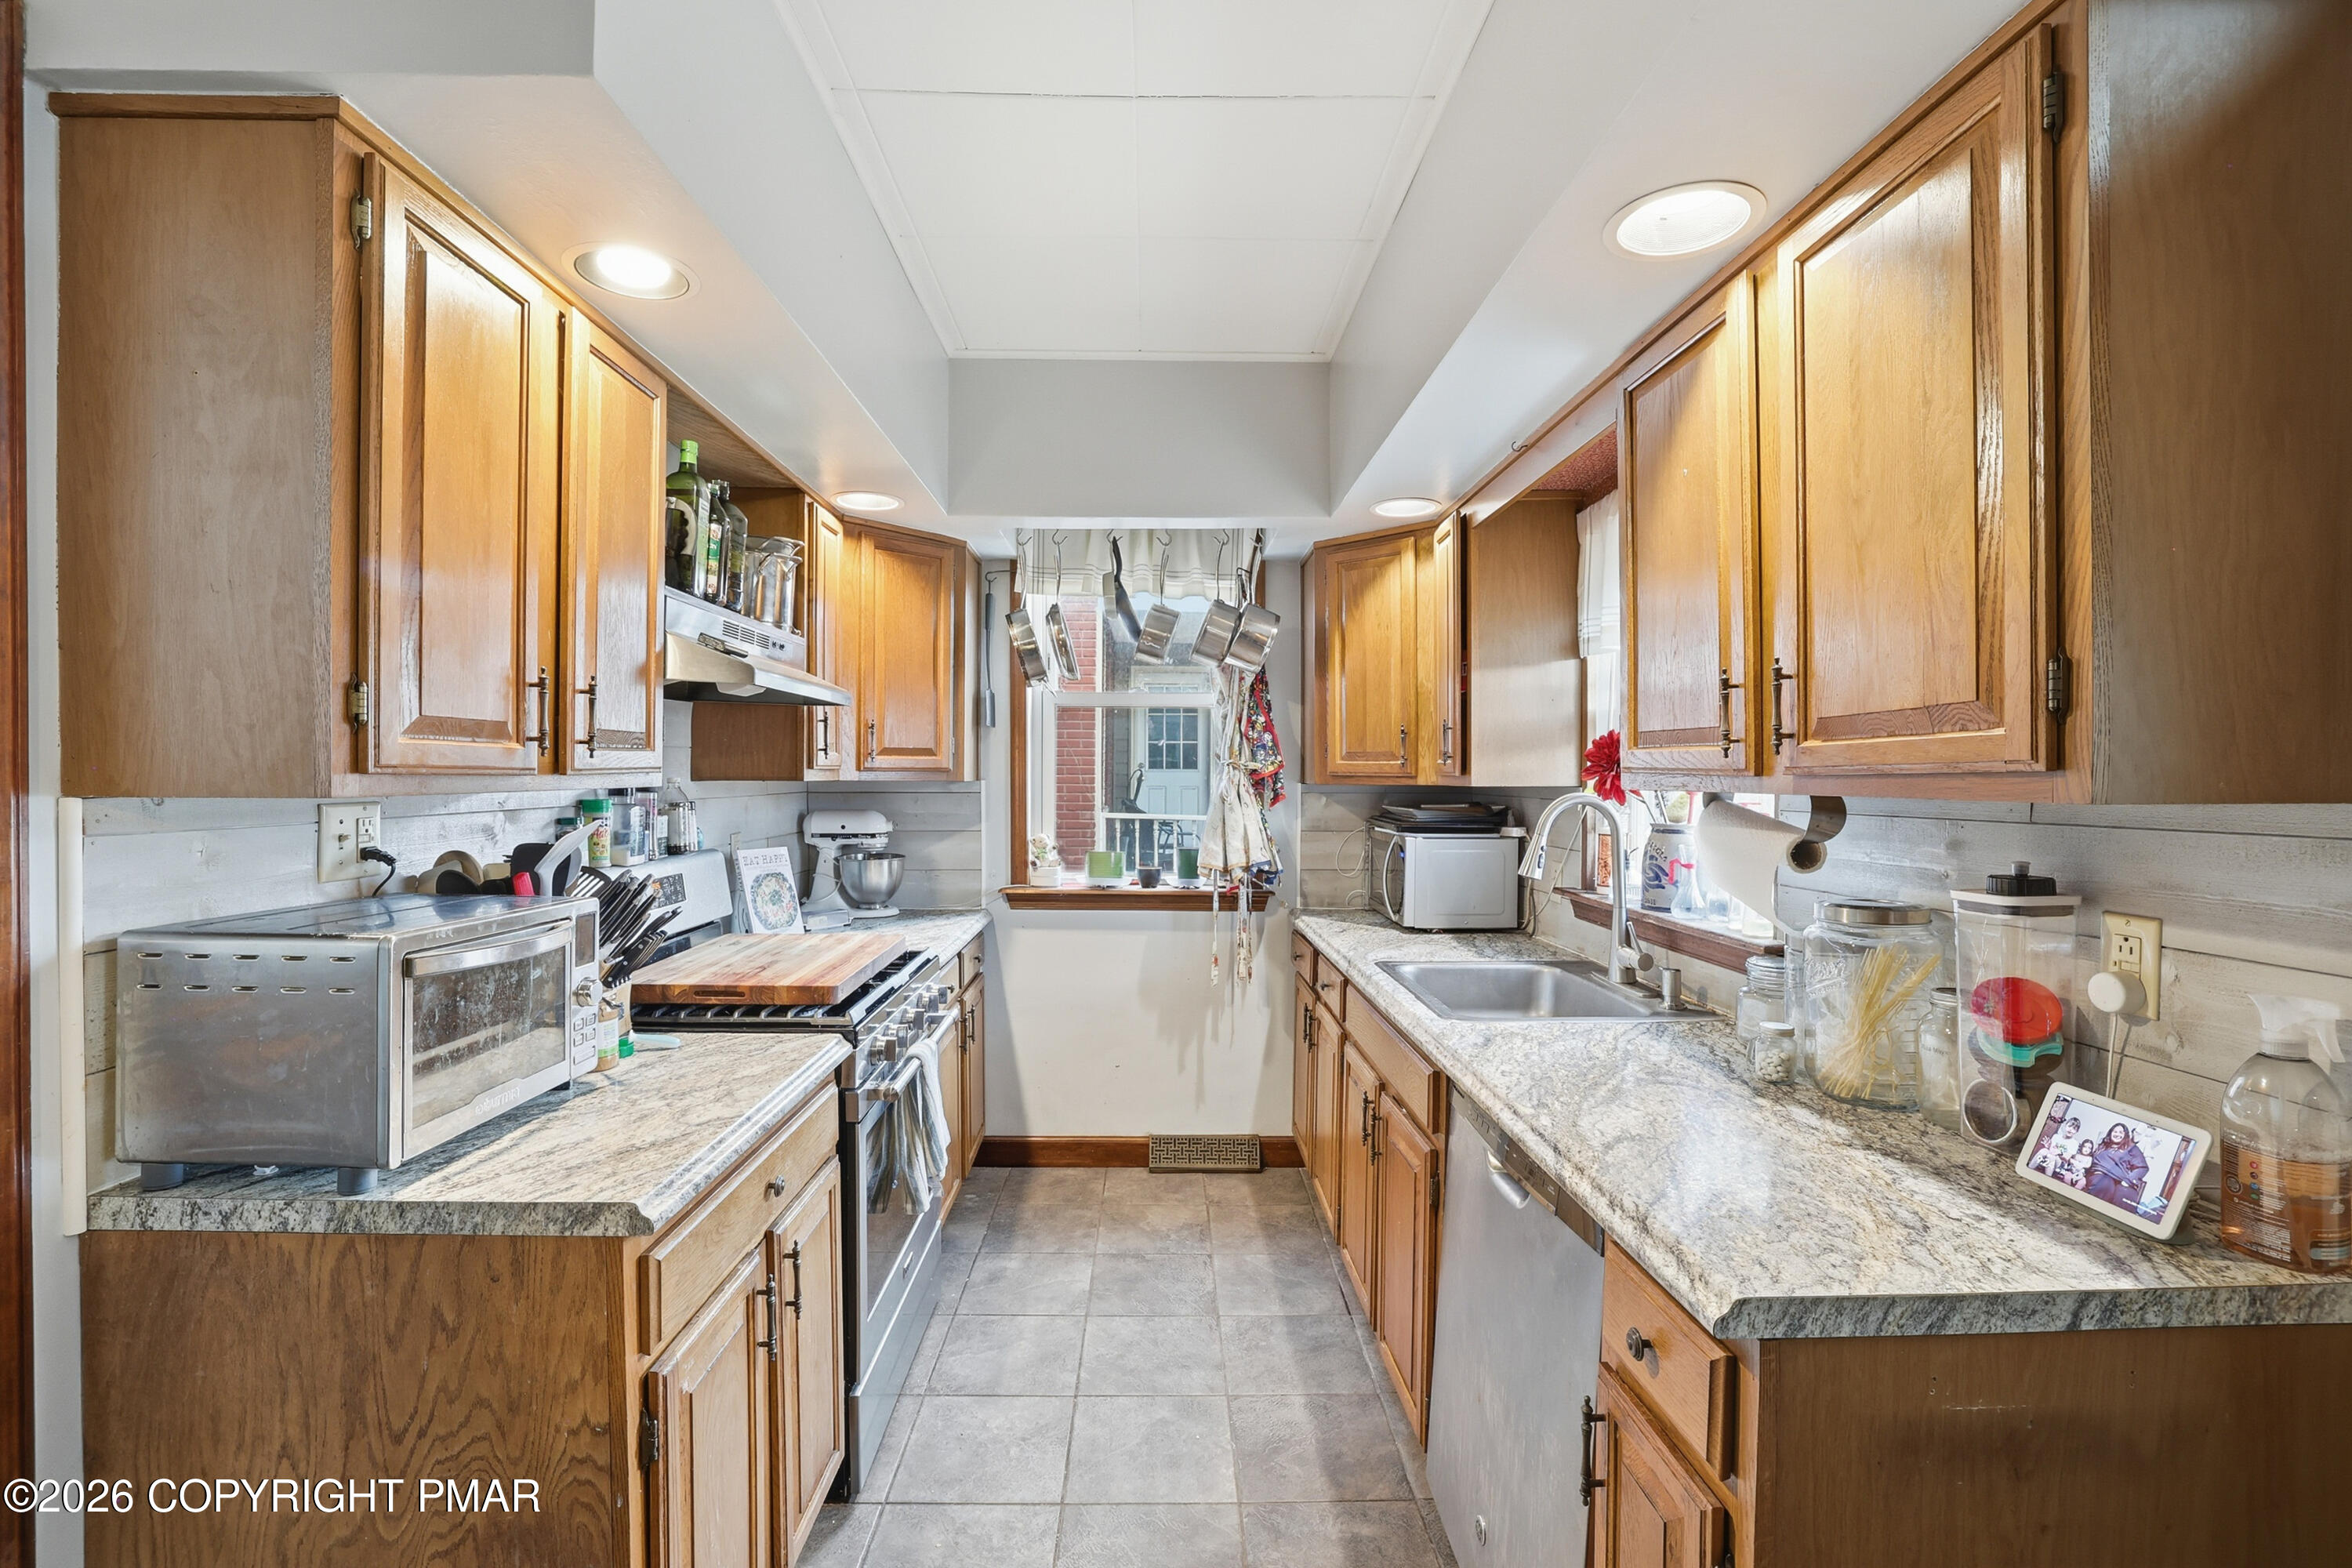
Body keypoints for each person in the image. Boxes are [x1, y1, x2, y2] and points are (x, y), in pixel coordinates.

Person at [2086, 1123, 2150, 1209]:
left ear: (2125, 1135)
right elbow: (2090, 1159)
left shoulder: (2131, 1148)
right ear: (2110, 1133)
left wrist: (2128, 1181)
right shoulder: (2103, 1145)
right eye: (2115, 1132)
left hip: (2121, 1180)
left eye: (2121, 1132)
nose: (2117, 1134)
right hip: (2101, 1175)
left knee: (2126, 1194)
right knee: (2106, 1185)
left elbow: (2142, 1167)